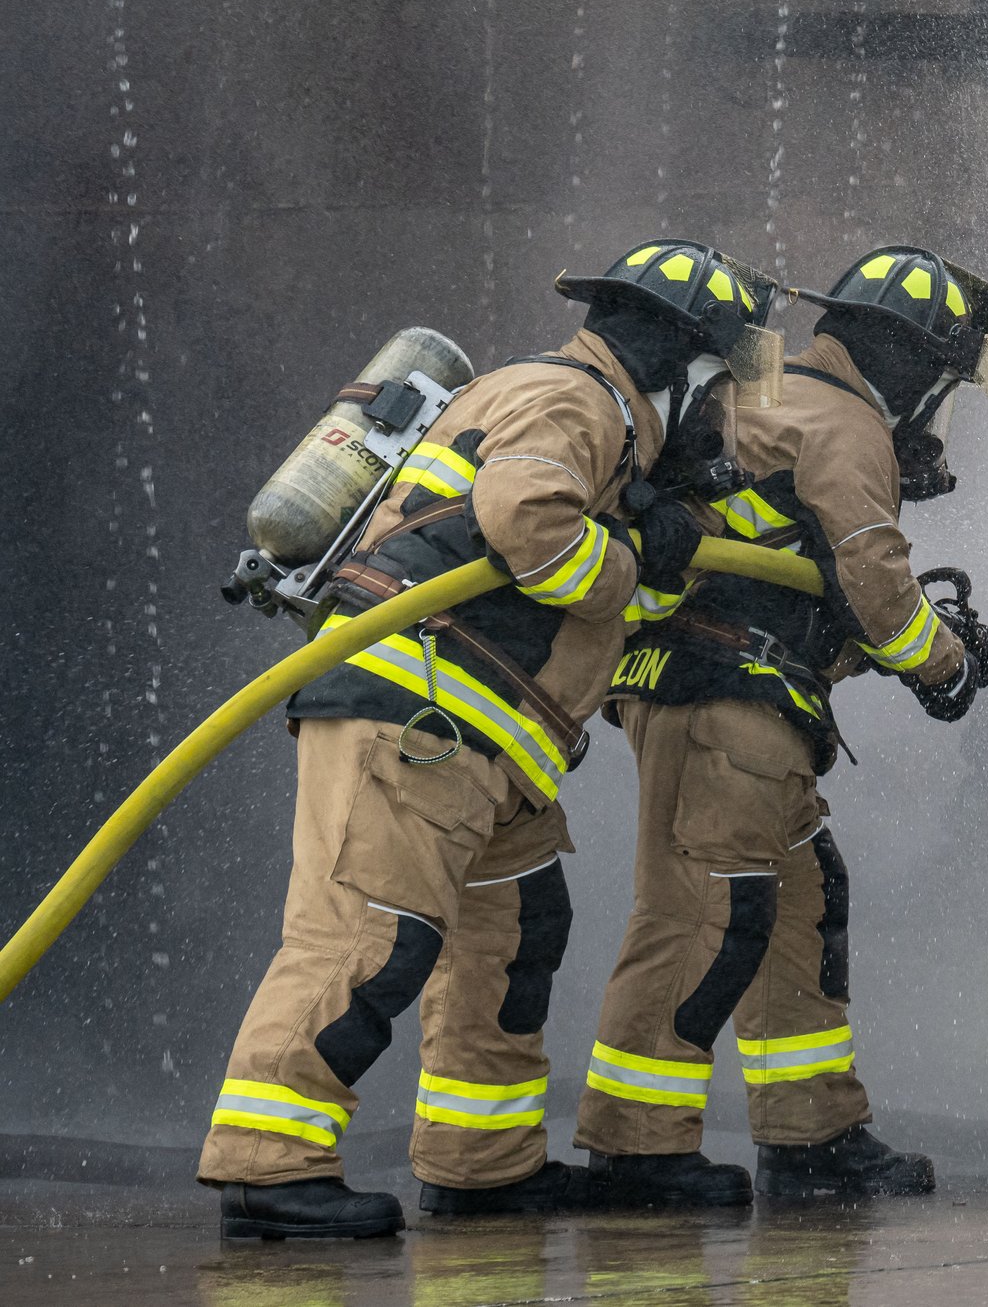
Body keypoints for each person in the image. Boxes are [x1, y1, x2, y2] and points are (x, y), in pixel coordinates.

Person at [198, 240, 771, 1238]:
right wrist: (635, 560)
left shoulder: (605, 427)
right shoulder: (576, 403)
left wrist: (653, 550)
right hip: (416, 715)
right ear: (681, 361)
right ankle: (267, 1163)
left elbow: (582, 594)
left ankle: (482, 1164)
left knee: (510, 936)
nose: (720, 415)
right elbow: (528, 524)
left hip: (487, 741)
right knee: (373, 932)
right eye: (718, 386)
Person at [582, 245, 988, 1203]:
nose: (935, 415)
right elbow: (876, 581)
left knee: (794, 902)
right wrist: (945, 667)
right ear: (908, 366)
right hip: (729, 700)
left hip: (723, 691)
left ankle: (811, 1131)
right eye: (940, 385)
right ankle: (639, 1150)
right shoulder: (846, 424)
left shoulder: (775, 399)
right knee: (708, 914)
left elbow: (815, 575)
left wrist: (949, 644)